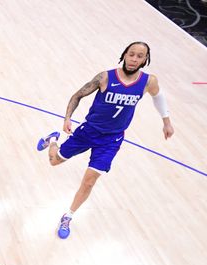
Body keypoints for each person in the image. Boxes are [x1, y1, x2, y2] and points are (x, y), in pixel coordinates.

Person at [36, 41, 174, 239]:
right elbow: (77, 95)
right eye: (131, 54)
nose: (134, 59)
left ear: (145, 60)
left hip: (112, 140)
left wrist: (166, 122)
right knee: (54, 161)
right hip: (88, 131)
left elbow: (158, 97)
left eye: (140, 56)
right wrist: (67, 118)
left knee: (89, 182)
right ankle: (52, 140)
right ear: (124, 54)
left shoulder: (148, 81)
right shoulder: (105, 77)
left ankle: (68, 216)